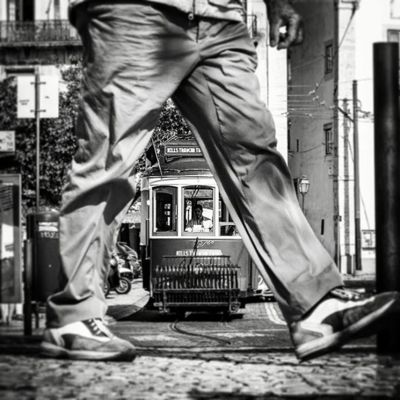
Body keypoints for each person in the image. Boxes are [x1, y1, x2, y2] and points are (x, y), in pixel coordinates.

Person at [41, 0, 398, 362]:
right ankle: (75, 316)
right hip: (137, 12)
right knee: (109, 160)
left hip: (221, 17)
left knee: (256, 155)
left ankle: (315, 304)